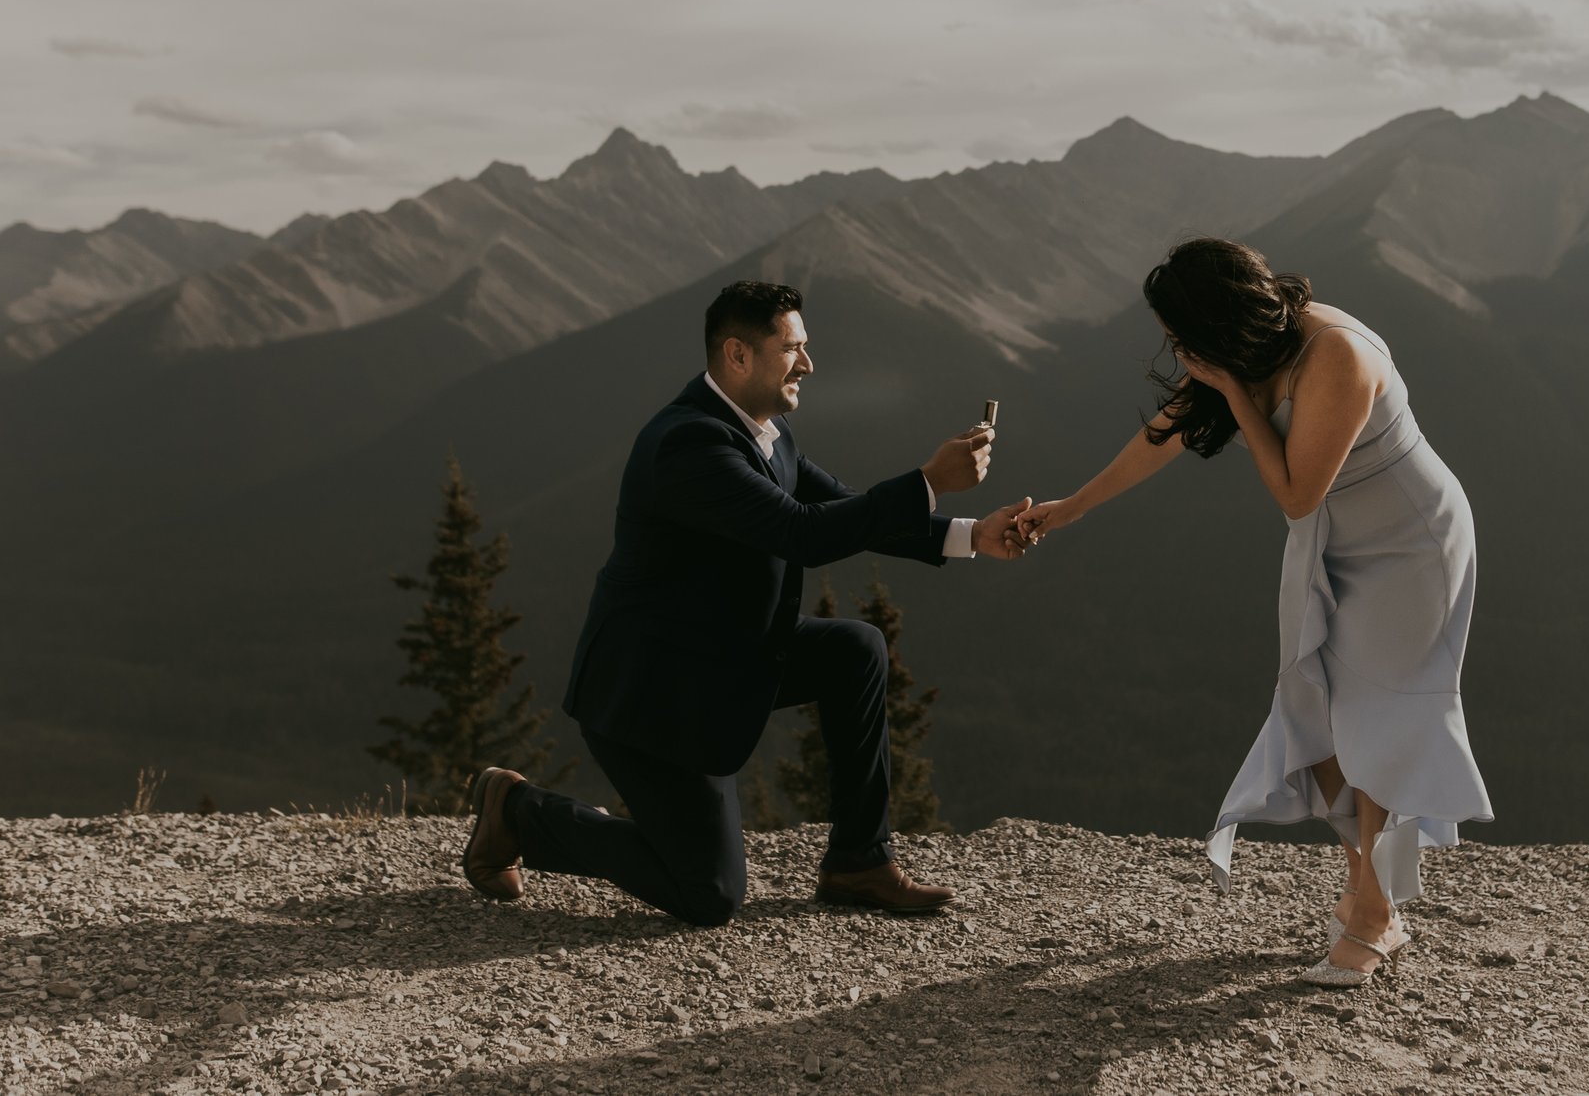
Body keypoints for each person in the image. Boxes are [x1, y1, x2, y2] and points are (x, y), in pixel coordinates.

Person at [460, 279, 1037, 925]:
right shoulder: (690, 447)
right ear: (737, 355)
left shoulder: (768, 431)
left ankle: (858, 861)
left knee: (856, 649)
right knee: (707, 893)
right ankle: (514, 811)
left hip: (721, 658)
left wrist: (969, 534)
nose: (809, 364)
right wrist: (929, 480)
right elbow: (803, 532)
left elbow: (837, 506)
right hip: (652, 701)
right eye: (793, 348)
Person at [1018, 237, 1491, 986]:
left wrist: (1236, 395)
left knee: (1379, 718)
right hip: (1335, 540)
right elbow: (1166, 430)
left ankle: (1375, 913)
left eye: (1179, 334)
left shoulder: (1333, 353)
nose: (1173, 349)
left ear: (1215, 320)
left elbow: (1298, 492)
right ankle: (1367, 890)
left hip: (1410, 546)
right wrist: (1072, 508)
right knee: (1323, 710)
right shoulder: (1248, 348)